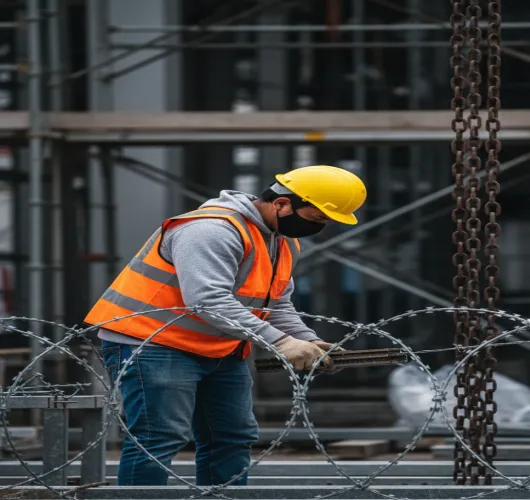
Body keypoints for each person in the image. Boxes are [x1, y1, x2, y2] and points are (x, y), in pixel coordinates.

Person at [83, 165, 367, 486]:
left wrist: (305, 339)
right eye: (317, 218)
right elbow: (207, 301)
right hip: (153, 342)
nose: (319, 226)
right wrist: (283, 344)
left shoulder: (282, 242)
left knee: (232, 437)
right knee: (158, 437)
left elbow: (275, 304)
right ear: (282, 203)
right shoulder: (212, 230)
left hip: (219, 347)